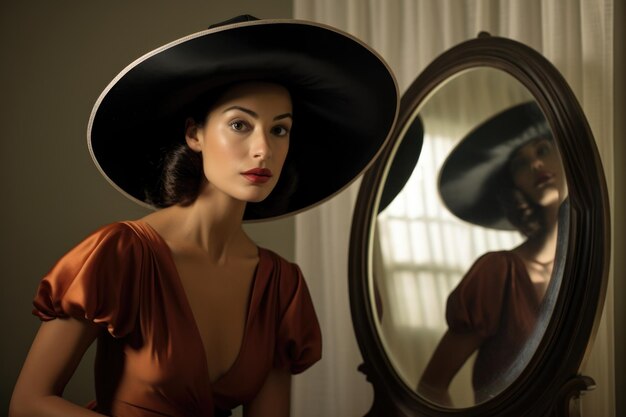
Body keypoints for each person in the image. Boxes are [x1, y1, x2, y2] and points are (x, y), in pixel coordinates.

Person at [9, 15, 398, 417]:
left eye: (279, 130)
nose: (263, 149)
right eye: (240, 124)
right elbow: (28, 403)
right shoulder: (121, 254)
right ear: (195, 134)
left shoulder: (281, 286)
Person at [417, 102, 568, 406]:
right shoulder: (498, 273)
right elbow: (430, 387)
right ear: (515, 185)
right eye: (520, 164)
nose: (535, 165)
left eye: (542, 150)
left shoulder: (601, 265)